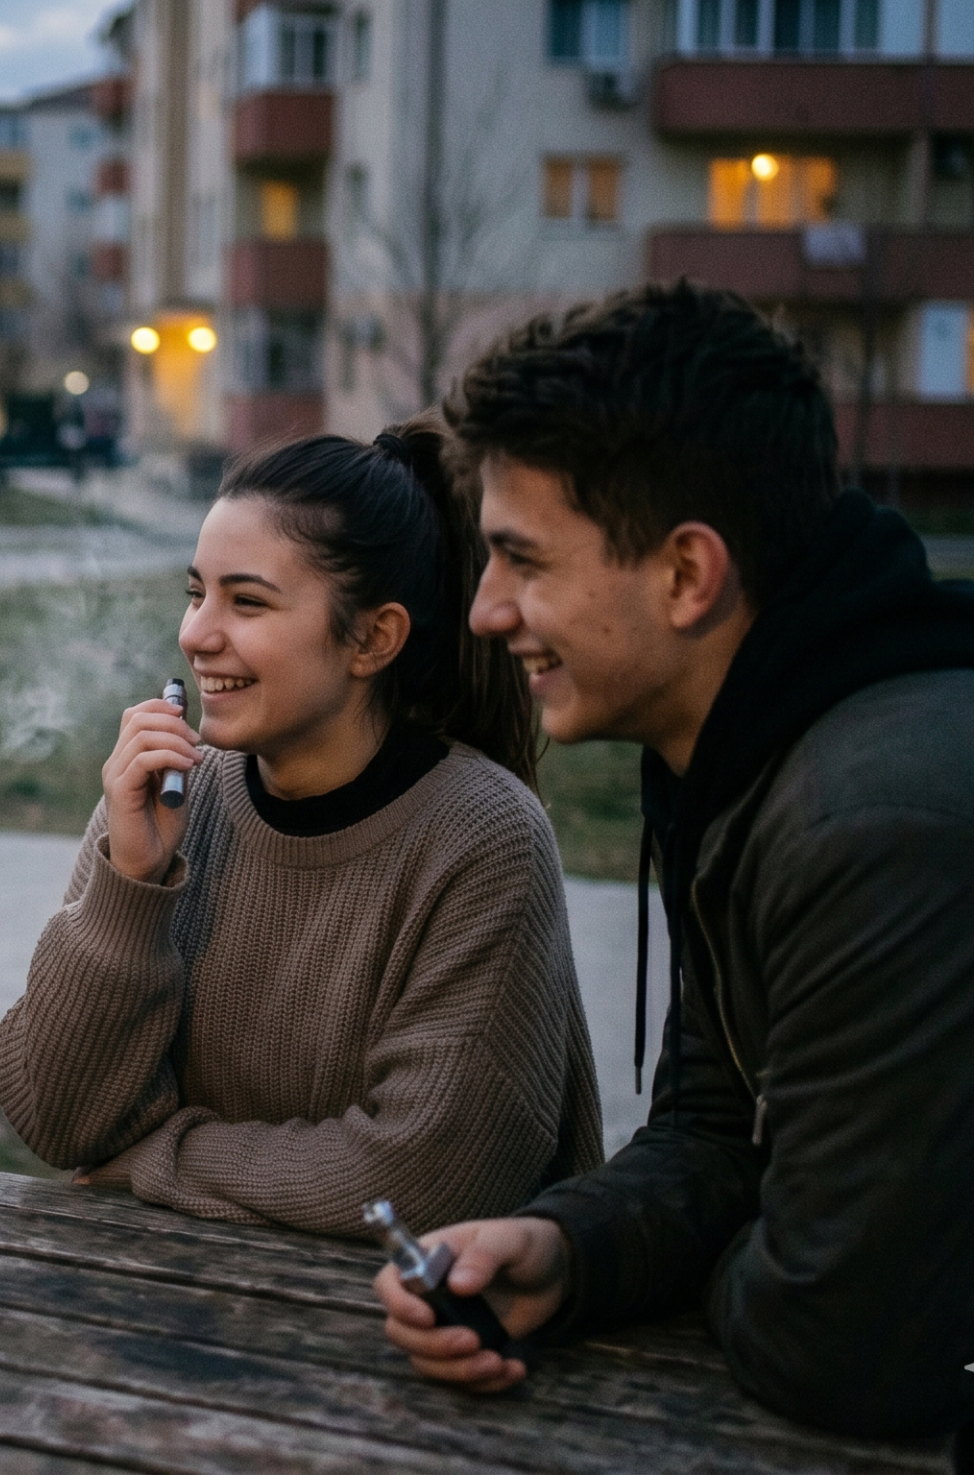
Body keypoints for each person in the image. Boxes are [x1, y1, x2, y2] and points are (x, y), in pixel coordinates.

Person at [374, 283, 974, 1447]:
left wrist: (745, 1251)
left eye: (521, 559)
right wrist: (569, 1248)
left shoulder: (875, 827)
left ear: (688, 575)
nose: (485, 610)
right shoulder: (748, 749)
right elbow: (713, 1127)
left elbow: (839, 1342)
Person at [0, 421, 602, 1238]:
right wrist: (128, 885)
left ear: (372, 638)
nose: (196, 634)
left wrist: (156, 1159)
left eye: (246, 601)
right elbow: (57, 1117)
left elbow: (424, 1178)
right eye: (196, 593)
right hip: (152, 1296)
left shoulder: (482, 838)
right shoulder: (170, 800)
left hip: (387, 1310)